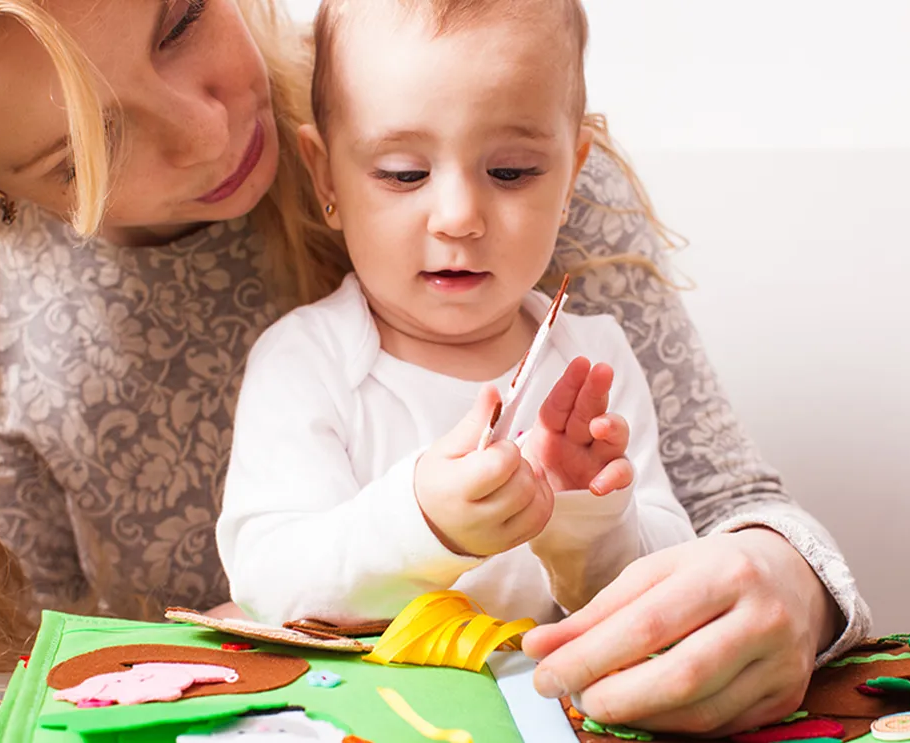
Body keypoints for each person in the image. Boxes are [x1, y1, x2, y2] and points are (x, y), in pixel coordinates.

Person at [0, 0, 868, 733]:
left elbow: (723, 508)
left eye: (179, 20)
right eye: (89, 147)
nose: (208, 129)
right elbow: (51, 673)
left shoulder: (482, 119)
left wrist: (786, 581)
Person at [216, 0, 697, 626]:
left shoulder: (593, 363)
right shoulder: (307, 362)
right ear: (326, 176)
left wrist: (588, 515)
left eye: (511, 171)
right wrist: (420, 521)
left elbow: (673, 583)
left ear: (570, 179)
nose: (459, 217)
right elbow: (269, 581)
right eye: (404, 173)